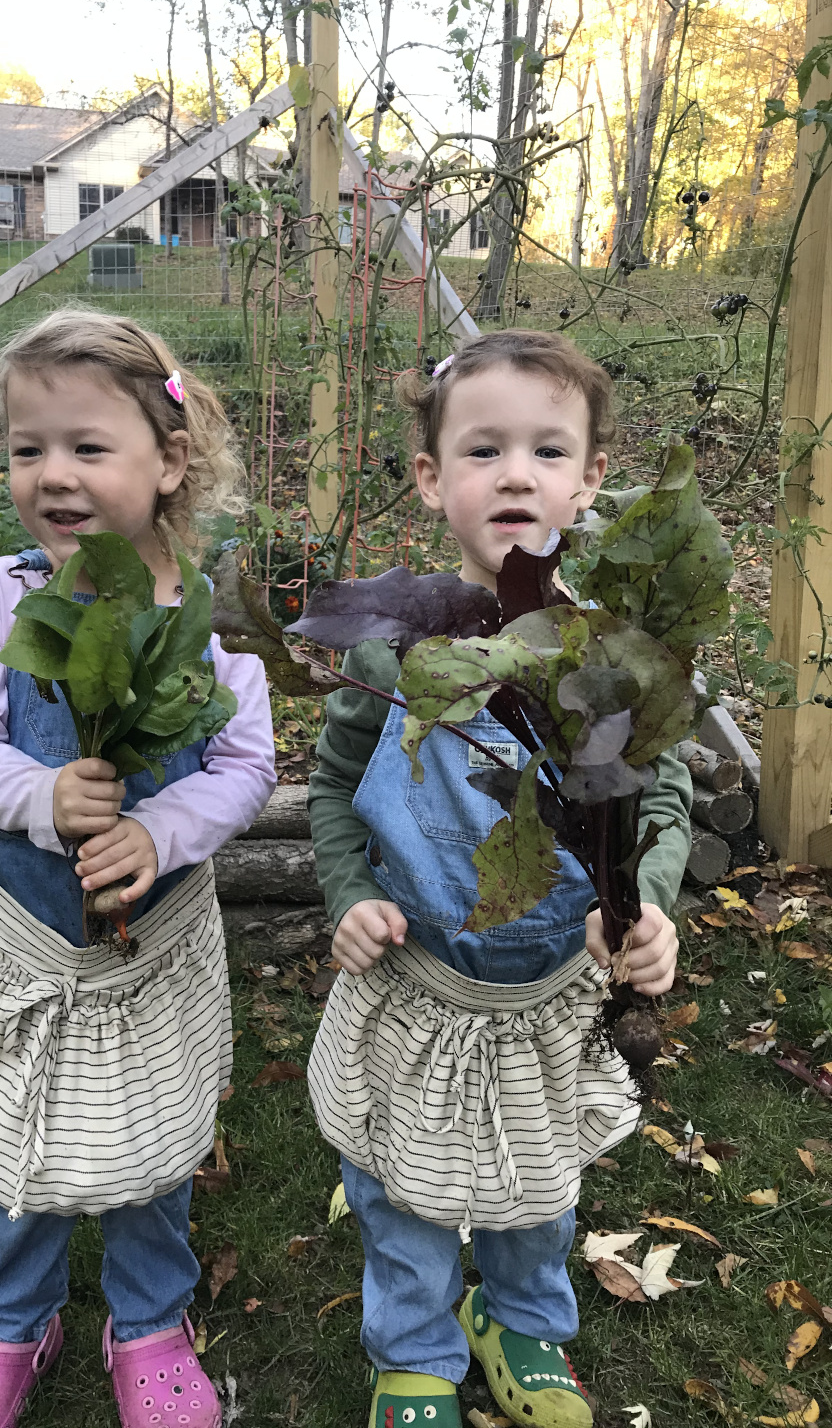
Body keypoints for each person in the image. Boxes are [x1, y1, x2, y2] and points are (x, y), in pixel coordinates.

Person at [306, 331, 692, 1428]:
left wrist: (647, 905)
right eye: (483, 450)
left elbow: (657, 803)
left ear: (592, 474)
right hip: (418, 974)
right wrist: (349, 896)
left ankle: (521, 1325)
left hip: (557, 985)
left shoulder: (609, 648)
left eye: (546, 450)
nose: (515, 474)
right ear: (432, 479)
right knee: (400, 1187)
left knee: (537, 1184)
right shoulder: (393, 645)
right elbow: (334, 789)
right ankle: (416, 1352)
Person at [0, 309, 276, 1428]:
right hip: (26, 938)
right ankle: (11, 1323)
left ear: (169, 462)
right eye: (30, 450)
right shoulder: (0, 594)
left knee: (153, 1140)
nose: (52, 477)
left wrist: (161, 832)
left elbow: (245, 764)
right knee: (15, 1147)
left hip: (152, 945)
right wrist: (42, 797)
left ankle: (150, 1319)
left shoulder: (205, 630)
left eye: (87, 448)